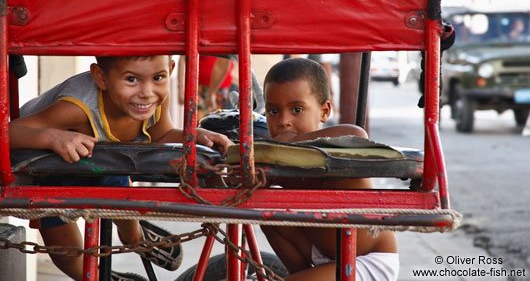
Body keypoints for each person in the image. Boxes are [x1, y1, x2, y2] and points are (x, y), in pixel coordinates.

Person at [10, 55, 233, 281]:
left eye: (158, 77)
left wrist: (195, 136)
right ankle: (101, 277)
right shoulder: (74, 108)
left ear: (170, 70)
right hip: (47, 168)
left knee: (118, 184)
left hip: (104, 162)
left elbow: (162, 135)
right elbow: (8, 133)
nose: (147, 92)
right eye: (131, 80)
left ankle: (135, 236)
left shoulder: (154, 98)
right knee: (66, 254)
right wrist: (51, 138)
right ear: (101, 77)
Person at [261, 57, 399, 281]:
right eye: (273, 111)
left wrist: (291, 143)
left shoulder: (335, 150)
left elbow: (357, 135)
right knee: (266, 211)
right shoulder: (278, 159)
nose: (283, 121)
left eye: (297, 109)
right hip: (322, 255)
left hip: (366, 261)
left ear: (324, 112)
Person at [178, 55, 235, 121]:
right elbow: (183, 58)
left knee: (221, 124)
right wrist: (181, 88)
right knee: (198, 122)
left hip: (222, 89)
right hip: (199, 88)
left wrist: (211, 93)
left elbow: (224, 63)